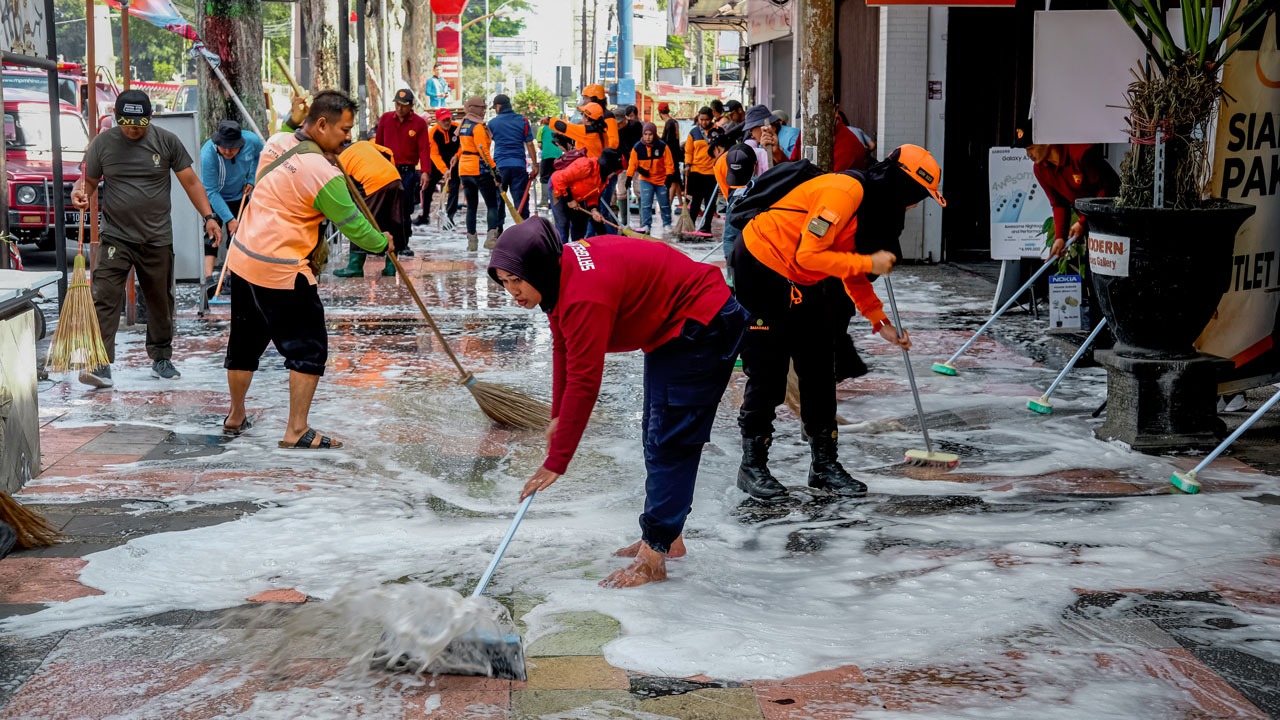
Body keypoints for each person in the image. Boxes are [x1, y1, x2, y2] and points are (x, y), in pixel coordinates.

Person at [489, 218, 749, 588]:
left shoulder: (583, 294)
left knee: (670, 439)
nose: (511, 290)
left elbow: (585, 378)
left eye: (517, 280)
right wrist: (559, 416)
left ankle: (654, 554)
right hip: (671, 325)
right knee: (656, 433)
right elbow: (564, 344)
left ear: (538, 269)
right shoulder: (557, 276)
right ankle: (667, 537)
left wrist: (557, 460)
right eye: (504, 281)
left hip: (701, 322)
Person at [732, 145, 945, 500]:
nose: (914, 205)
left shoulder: (877, 212)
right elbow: (810, 253)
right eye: (918, 196)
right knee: (768, 369)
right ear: (903, 185)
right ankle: (752, 466)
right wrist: (867, 264)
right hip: (762, 264)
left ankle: (824, 465)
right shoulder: (844, 193)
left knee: (818, 365)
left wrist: (880, 321)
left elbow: (850, 267)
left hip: (807, 278)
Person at [222, 90, 391, 448]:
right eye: (344, 129)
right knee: (308, 350)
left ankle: (235, 415)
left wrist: (292, 117)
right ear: (322, 124)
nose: (348, 137)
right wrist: (382, 243)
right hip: (281, 269)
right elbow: (353, 225)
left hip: (243, 258)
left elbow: (287, 130)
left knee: (245, 344)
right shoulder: (323, 173)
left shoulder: (278, 140)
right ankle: (296, 430)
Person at [71, 90, 223, 388]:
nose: (133, 129)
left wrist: (209, 217)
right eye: (127, 123)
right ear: (116, 119)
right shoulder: (103, 143)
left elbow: (190, 181)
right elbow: (87, 180)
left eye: (139, 124)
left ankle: (161, 357)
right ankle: (100, 362)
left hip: (156, 237)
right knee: (104, 296)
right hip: (116, 236)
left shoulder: (165, 141)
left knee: (159, 300)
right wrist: (81, 192)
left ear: (149, 118)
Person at [199, 120, 262, 283]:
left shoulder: (252, 141)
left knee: (238, 236)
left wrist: (251, 178)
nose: (228, 151)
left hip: (239, 194)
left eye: (233, 147)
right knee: (211, 235)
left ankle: (230, 275)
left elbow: (259, 157)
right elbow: (210, 191)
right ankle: (208, 279)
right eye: (224, 146)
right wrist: (229, 219)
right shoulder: (208, 154)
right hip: (214, 197)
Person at [333, 137, 404, 278]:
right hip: (394, 179)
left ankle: (355, 266)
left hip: (372, 184)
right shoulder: (364, 143)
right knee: (392, 222)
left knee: (359, 221)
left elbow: (340, 189)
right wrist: (387, 173)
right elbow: (388, 152)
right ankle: (391, 266)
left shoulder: (337, 161)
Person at [375, 89, 430, 255]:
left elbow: (424, 150)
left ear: (411, 106)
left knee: (405, 208)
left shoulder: (419, 123)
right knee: (385, 206)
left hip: (407, 171)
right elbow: (378, 145)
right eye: (397, 105)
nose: (400, 108)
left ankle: (403, 243)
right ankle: (383, 243)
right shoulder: (385, 119)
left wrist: (425, 172)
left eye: (404, 105)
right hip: (387, 169)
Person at [550, 148, 622, 242]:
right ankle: (561, 253)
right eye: (614, 171)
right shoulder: (586, 166)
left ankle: (576, 252)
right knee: (563, 225)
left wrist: (594, 210)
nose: (614, 175)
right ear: (609, 168)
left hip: (577, 198)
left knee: (579, 226)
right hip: (558, 189)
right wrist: (569, 199)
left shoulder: (604, 179)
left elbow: (593, 195)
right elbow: (558, 178)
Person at [458, 96, 500, 250]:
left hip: (464, 169)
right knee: (492, 205)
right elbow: (483, 150)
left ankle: (472, 242)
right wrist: (495, 169)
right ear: (473, 109)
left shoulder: (464, 124)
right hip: (479, 169)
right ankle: (490, 240)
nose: (483, 111)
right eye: (481, 108)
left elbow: (462, 148)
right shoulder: (477, 127)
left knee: (471, 206)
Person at [488, 93, 538, 222]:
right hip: (518, 166)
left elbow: (486, 145)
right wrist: (535, 165)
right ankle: (523, 230)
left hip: (500, 167)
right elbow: (530, 144)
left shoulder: (492, 123)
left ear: (498, 106)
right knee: (521, 201)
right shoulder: (523, 121)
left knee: (498, 200)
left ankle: (497, 232)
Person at [627, 122, 675, 236]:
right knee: (646, 204)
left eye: (650, 134)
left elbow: (669, 163)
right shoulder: (637, 147)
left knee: (664, 203)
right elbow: (632, 164)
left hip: (661, 179)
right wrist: (629, 176)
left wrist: (669, 176)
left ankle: (667, 223)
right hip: (646, 180)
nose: (648, 137)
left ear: (654, 134)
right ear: (643, 134)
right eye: (646, 134)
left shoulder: (662, 146)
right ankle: (646, 225)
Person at [418, 108, 460, 227]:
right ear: (437, 120)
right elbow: (434, 154)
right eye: (443, 120)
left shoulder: (457, 128)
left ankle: (450, 217)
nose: (446, 122)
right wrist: (444, 170)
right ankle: (425, 215)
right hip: (437, 163)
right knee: (428, 187)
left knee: (454, 187)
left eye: (448, 119)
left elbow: (463, 145)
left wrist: (457, 156)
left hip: (454, 161)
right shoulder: (432, 133)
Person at [683, 107, 717, 238]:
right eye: (701, 119)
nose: (704, 122)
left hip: (712, 172)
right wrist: (687, 165)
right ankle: (690, 225)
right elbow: (689, 151)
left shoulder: (718, 132)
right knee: (696, 201)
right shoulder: (694, 132)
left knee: (710, 202)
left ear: (711, 118)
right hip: (696, 171)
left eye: (707, 120)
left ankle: (706, 227)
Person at [614, 105, 641, 224]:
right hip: (623, 165)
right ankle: (624, 222)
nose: (618, 126)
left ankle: (643, 222)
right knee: (621, 192)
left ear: (625, 119)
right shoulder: (614, 130)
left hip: (637, 164)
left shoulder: (636, 126)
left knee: (639, 190)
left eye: (620, 123)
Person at [535, 116, 565, 209]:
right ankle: (557, 201)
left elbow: (539, 144)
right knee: (557, 177)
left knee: (544, 178)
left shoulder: (541, 128)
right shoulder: (557, 129)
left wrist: (544, 148)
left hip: (547, 155)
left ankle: (544, 201)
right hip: (559, 155)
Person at [657, 102, 684, 200]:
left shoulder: (669, 124)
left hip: (670, 155)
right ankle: (681, 203)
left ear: (659, 112)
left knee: (672, 180)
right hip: (676, 153)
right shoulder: (674, 122)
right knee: (676, 179)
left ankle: (669, 202)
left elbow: (667, 142)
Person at [741, 104, 776, 175]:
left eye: (751, 130)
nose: (752, 135)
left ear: (762, 125)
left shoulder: (791, 137)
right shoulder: (762, 142)